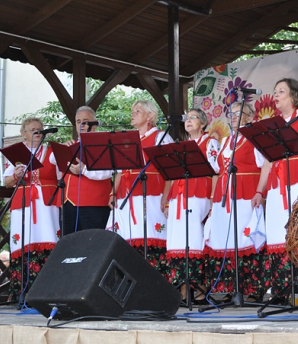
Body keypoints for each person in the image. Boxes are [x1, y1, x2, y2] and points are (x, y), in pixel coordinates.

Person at [253, 78, 298, 302]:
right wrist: (260, 192)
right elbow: (267, 163)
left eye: (281, 91)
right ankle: (281, 287)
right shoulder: (272, 124)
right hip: (277, 187)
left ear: (294, 96)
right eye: (275, 91)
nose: (276, 95)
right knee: (278, 234)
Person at [204, 101, 268, 301]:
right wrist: (213, 203)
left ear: (250, 117)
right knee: (227, 239)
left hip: (245, 194)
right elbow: (218, 171)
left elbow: (265, 165)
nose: (233, 116)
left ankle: (252, 289)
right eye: (230, 113)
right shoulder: (224, 141)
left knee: (245, 238)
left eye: (238, 113)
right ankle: (232, 288)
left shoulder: (254, 138)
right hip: (223, 197)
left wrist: (260, 191)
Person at [108, 100, 173, 275]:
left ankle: (155, 282)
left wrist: (166, 198)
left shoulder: (160, 137)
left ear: (150, 116)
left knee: (151, 237)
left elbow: (171, 171)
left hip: (151, 195)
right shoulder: (127, 139)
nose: (133, 114)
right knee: (125, 240)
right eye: (133, 110)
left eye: (137, 111)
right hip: (126, 196)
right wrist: (113, 193)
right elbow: (120, 171)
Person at [165, 108, 220, 302]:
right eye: (186, 119)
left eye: (193, 118)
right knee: (178, 240)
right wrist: (165, 201)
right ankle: (182, 290)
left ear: (203, 123)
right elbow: (171, 175)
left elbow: (216, 170)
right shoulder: (182, 145)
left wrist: (214, 198)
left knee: (195, 237)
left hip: (198, 193)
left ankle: (201, 288)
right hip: (178, 195)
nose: (188, 121)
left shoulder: (210, 142)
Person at [3, 117, 60, 299]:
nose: (37, 132)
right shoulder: (16, 154)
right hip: (24, 203)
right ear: (24, 133)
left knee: (49, 237)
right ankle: (23, 292)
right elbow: (6, 182)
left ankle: (49, 292)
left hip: (46, 203)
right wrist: (16, 175)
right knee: (23, 240)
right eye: (32, 129)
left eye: (40, 129)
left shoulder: (50, 152)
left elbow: (63, 175)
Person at [51, 106, 113, 236]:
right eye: (78, 122)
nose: (82, 125)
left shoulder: (103, 144)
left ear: (94, 124)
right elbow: (53, 160)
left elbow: (108, 172)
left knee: (92, 245)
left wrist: (84, 170)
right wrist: (64, 148)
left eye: (85, 121)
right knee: (70, 246)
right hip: (68, 203)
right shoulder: (72, 145)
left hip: (94, 204)